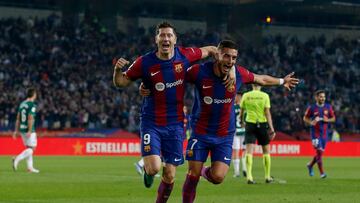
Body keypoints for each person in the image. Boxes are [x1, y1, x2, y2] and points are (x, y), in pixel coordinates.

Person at [113, 21, 234, 203]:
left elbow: (211, 49)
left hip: (176, 124)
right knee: (154, 168)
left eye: (169, 35)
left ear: (175, 39)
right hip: (151, 122)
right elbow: (121, 83)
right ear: (156, 39)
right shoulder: (144, 62)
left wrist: (231, 68)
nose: (166, 38)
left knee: (169, 176)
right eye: (162, 35)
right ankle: (147, 171)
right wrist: (116, 71)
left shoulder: (185, 55)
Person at [182, 40, 299, 203]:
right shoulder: (199, 72)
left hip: (224, 135)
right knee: (192, 176)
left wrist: (282, 81)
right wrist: (148, 85)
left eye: (234, 58)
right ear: (218, 54)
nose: (230, 61)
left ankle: (205, 172)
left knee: (217, 177)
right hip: (200, 133)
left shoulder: (238, 74)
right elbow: (175, 75)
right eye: (226, 56)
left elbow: (261, 79)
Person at [240, 84, 275, 184]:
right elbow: (267, 113)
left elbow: (242, 112)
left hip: (250, 124)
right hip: (262, 124)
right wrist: (271, 128)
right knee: (266, 151)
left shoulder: (246, 95)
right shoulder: (265, 96)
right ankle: (267, 177)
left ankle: (249, 177)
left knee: (249, 151)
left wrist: (242, 121)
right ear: (261, 85)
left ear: (252, 85)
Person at [303, 90, 336, 179]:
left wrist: (327, 120)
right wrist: (311, 122)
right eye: (321, 96)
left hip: (325, 135)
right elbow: (305, 118)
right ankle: (322, 173)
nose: (323, 98)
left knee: (319, 154)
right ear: (316, 97)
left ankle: (310, 165)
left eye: (324, 97)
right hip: (315, 134)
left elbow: (333, 118)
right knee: (319, 152)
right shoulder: (312, 108)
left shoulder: (328, 107)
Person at [12, 87, 40, 173]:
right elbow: (30, 118)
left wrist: (16, 131)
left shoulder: (22, 104)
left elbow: (18, 118)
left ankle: (30, 168)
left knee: (28, 147)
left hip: (21, 128)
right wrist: (30, 130)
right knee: (33, 148)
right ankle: (17, 158)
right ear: (34, 95)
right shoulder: (32, 105)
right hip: (29, 129)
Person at [232, 92, 247, 178]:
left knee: (236, 151)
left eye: (236, 96)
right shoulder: (245, 107)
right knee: (244, 150)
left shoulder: (233, 107)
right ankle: (244, 168)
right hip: (244, 131)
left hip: (236, 131)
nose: (235, 97)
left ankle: (237, 172)